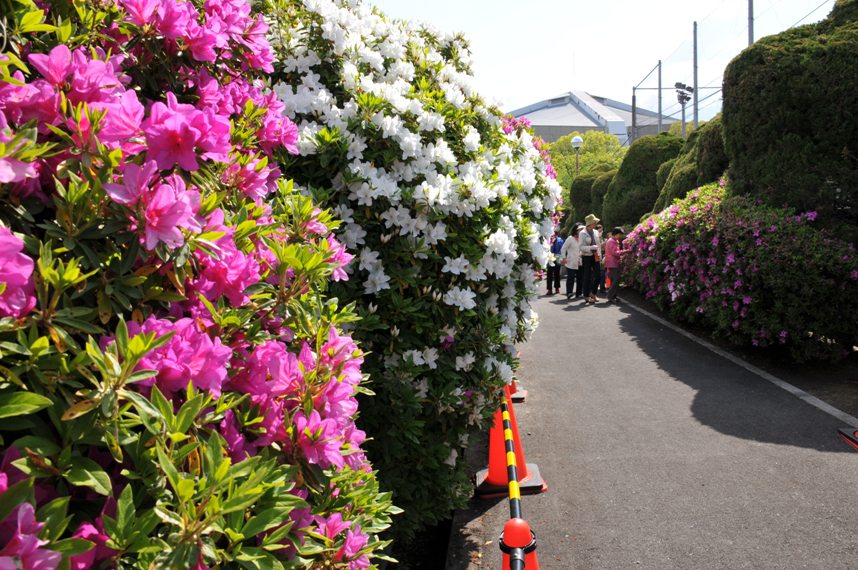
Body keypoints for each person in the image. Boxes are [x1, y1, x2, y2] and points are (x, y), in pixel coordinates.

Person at [579, 213, 601, 304]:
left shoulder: (596, 232)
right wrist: (591, 248)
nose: (595, 224)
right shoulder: (582, 233)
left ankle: (594, 293)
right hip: (586, 256)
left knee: (598, 275)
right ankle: (586, 295)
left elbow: (598, 245)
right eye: (594, 222)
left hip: (595, 256)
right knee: (587, 276)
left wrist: (599, 255)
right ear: (589, 223)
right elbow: (581, 247)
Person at [559, 224, 581, 299]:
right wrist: (564, 258)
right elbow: (563, 248)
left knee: (580, 278)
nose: (581, 231)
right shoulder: (570, 238)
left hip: (580, 261)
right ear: (575, 230)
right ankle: (569, 292)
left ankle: (579, 293)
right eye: (579, 229)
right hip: (571, 261)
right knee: (570, 278)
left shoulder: (583, 239)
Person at [605, 227, 624, 303]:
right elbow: (614, 253)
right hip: (612, 263)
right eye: (619, 234)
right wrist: (624, 252)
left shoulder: (614, 241)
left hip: (615, 263)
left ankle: (614, 296)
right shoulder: (611, 241)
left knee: (616, 280)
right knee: (615, 280)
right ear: (615, 234)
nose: (620, 236)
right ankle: (610, 296)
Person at [596, 224, 607, 294]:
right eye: (599, 230)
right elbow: (598, 246)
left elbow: (602, 248)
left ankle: (602, 288)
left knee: (602, 273)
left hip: (601, 257)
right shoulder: (595, 237)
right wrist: (604, 243)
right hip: (596, 256)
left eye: (601, 230)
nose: (601, 231)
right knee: (598, 273)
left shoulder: (601, 237)